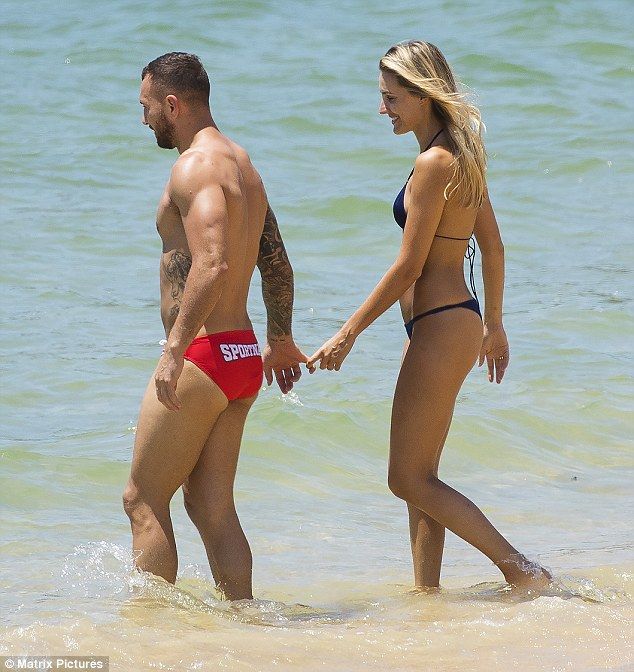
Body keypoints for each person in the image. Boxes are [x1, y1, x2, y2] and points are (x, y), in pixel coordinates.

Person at [307, 41, 550, 590]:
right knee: (422, 479)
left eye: (392, 98)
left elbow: (408, 267)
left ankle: (522, 570)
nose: (383, 109)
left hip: (440, 321)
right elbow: (493, 246)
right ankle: (428, 596)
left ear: (423, 95)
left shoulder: (433, 163)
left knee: (405, 478)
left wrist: (347, 334)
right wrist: (493, 324)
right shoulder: (459, 155)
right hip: (451, 321)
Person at [122, 52, 307, 600]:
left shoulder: (194, 167)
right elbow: (276, 262)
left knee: (142, 499)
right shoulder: (243, 166)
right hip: (240, 354)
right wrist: (279, 340)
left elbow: (213, 262)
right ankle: (244, 619)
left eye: (146, 107)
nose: (143, 119)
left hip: (201, 355)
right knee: (210, 505)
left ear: (172, 104)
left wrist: (174, 351)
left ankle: (152, 630)